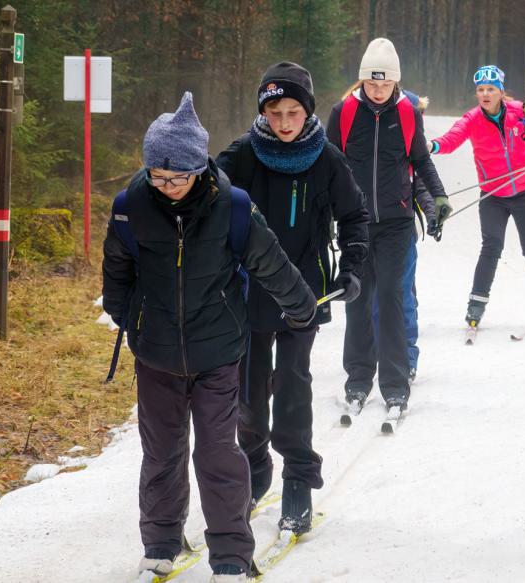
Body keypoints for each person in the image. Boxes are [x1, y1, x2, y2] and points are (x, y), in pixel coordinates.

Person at [101, 92, 316, 583]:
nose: (168, 186)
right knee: (161, 450)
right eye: (158, 175)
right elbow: (118, 267)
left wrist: (301, 308)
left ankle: (232, 554)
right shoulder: (131, 207)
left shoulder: (233, 207)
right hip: (155, 353)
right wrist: (125, 316)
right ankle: (159, 543)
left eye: (178, 177)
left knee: (218, 452)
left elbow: (271, 262)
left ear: (199, 169)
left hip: (219, 352)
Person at [216, 61, 369, 535]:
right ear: (262, 111)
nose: (284, 122)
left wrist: (352, 266)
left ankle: (299, 476)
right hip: (248, 292)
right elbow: (204, 202)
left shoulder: (327, 159)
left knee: (294, 385)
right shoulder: (241, 155)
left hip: (306, 293)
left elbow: (355, 217)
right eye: (275, 112)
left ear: (307, 112)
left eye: (293, 112)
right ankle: (256, 464)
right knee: (250, 386)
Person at [328, 38, 450, 415]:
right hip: (356, 223)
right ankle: (358, 380)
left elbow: (421, 160)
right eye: (371, 83)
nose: (377, 91)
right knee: (358, 299)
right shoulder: (344, 112)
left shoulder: (409, 112)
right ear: (362, 81)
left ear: (395, 82)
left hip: (397, 223)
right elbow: (328, 165)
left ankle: (396, 385)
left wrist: (439, 197)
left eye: (384, 84)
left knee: (392, 299)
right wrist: (325, 213)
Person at [428, 65, 525, 327]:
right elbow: (452, 139)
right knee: (491, 248)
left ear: (501, 91)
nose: (485, 94)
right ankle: (475, 306)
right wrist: (431, 145)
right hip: (493, 195)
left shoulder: (521, 112)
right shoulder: (472, 119)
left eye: (491, 89)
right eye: (480, 90)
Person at [372, 89, 432, 382]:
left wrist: (432, 210)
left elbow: (421, 183)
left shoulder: (411, 146)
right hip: (369, 228)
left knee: (402, 295)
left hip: (402, 231)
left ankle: (406, 355)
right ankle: (373, 352)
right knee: (372, 295)